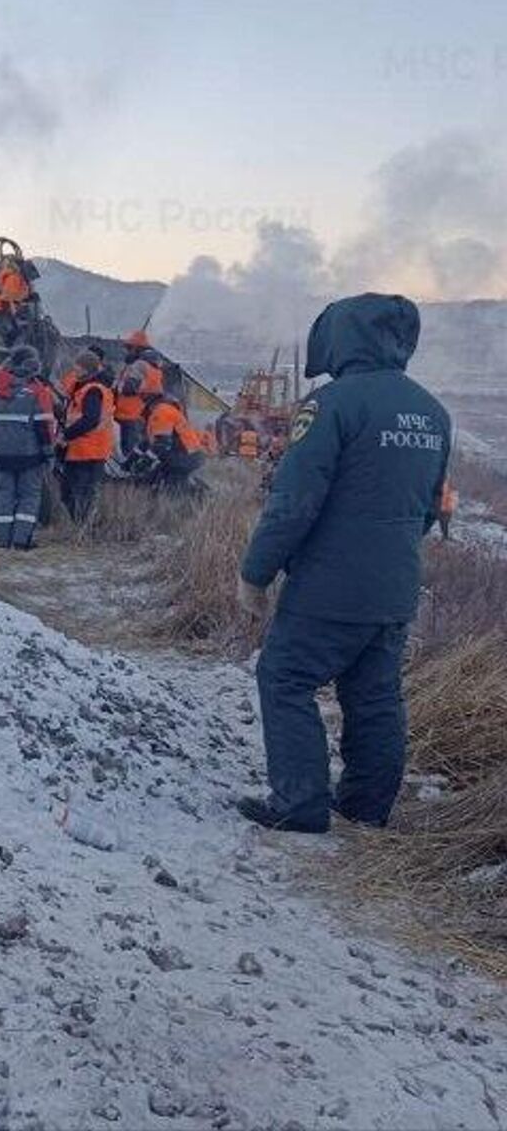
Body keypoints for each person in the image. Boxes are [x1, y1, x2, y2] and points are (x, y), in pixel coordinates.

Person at [236, 293, 451, 834]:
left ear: (343, 337)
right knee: (374, 694)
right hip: (395, 587)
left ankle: (299, 805)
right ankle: (365, 806)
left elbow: (293, 503)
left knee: (284, 677)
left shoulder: (332, 404)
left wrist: (256, 573)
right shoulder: (432, 412)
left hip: (329, 589)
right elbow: (429, 508)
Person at [0, 345, 54, 548]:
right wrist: (48, 453)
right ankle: (21, 541)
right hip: (29, 455)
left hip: (0, 454)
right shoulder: (37, 392)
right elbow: (43, 427)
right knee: (29, 496)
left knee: (2, 495)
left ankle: (1, 540)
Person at [59, 350, 114, 523]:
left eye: (78, 366)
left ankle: (84, 530)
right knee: (73, 493)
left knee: (81, 494)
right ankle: (82, 528)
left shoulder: (93, 391)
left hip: (89, 450)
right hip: (83, 450)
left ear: (86, 369)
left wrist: (66, 435)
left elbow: (90, 419)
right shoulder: (87, 388)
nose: (74, 369)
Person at [143, 391, 205, 493]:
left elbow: (161, 444)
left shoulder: (161, 411)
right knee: (157, 475)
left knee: (169, 488)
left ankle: (196, 494)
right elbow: (148, 442)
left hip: (184, 458)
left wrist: (146, 461)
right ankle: (197, 490)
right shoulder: (168, 410)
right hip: (189, 456)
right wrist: (133, 459)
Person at [114, 330, 160, 459]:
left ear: (136, 349)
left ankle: (131, 474)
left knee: (129, 448)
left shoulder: (139, 365)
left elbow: (129, 388)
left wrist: (116, 386)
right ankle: (134, 473)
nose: (127, 351)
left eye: (129, 348)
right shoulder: (153, 367)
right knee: (135, 447)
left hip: (130, 414)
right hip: (138, 413)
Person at [0, 257, 33, 347]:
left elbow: (15, 297)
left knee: (16, 327)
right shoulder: (13, 278)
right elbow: (5, 300)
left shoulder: (19, 279)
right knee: (11, 331)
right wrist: (13, 317)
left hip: (0, 308)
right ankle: (10, 349)